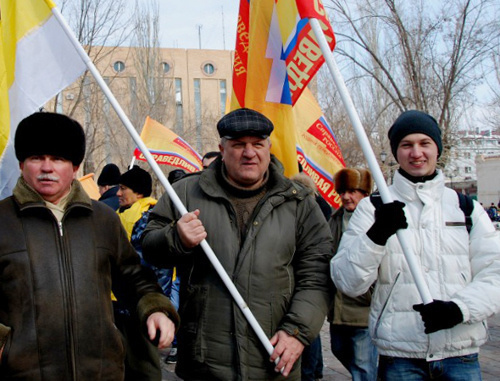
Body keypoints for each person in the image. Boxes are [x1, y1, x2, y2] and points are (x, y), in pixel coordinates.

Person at [142, 107, 334, 380]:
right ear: (222, 148)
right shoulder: (186, 192)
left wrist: (297, 332)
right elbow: (149, 247)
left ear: (269, 147)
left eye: (257, 144)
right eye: (238, 145)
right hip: (205, 361)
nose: (249, 153)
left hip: (274, 360)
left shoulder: (298, 202)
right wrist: (176, 238)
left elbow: (317, 275)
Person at [0, 112, 179, 380]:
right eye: (37, 157)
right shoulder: (3, 220)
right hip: (23, 373)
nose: (47, 167)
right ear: (22, 163)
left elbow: (133, 278)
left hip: (100, 371)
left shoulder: (103, 219)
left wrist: (155, 309)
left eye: (58, 158)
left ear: (74, 167)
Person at [331, 110, 500, 380]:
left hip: (460, 354)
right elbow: (348, 282)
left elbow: (495, 273)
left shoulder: (466, 208)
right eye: (407, 145)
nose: (416, 152)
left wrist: (459, 309)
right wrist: (376, 236)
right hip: (400, 357)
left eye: (425, 143)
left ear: (437, 148)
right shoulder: (372, 209)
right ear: (396, 153)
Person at [114, 166, 167, 380]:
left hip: (139, 308)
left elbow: (153, 269)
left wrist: (150, 305)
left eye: (123, 188)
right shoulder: (120, 216)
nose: (118, 193)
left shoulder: (148, 219)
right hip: (118, 306)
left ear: (138, 193)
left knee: (143, 366)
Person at [328, 168, 378, 381]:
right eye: (342, 192)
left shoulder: (375, 219)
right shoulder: (335, 219)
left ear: (364, 192)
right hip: (337, 306)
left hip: (363, 307)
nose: (346, 197)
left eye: (352, 191)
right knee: (339, 349)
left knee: (363, 365)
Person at [290, 172, 328, 381]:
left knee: (305, 329)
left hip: (302, 272)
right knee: (311, 328)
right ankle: (316, 369)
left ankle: (310, 372)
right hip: (309, 272)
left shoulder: (306, 209)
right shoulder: (320, 205)